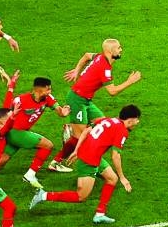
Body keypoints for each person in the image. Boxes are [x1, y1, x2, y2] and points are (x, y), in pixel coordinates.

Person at [30, 105, 141, 224]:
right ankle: (43, 195)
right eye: (137, 119)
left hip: (91, 154)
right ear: (130, 120)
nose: (138, 122)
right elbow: (115, 156)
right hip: (89, 160)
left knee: (112, 179)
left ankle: (100, 214)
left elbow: (87, 131)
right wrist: (123, 177)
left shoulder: (108, 120)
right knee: (81, 196)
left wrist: (77, 150)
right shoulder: (122, 131)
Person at [49, 39, 141, 172]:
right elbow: (112, 91)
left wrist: (77, 70)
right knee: (79, 137)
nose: (121, 49)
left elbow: (86, 55)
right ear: (110, 51)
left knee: (101, 123)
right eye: (119, 48)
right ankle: (56, 162)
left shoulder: (99, 56)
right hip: (77, 100)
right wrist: (129, 81)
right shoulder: (105, 68)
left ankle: (73, 127)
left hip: (85, 100)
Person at [0, 72, 71, 189]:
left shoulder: (47, 99)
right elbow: (4, 110)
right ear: (38, 89)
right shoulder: (21, 100)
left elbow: (60, 112)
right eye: (47, 89)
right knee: (47, 145)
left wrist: (65, 110)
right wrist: (11, 88)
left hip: (19, 135)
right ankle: (30, 175)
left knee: (0, 162)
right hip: (14, 132)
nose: (49, 92)